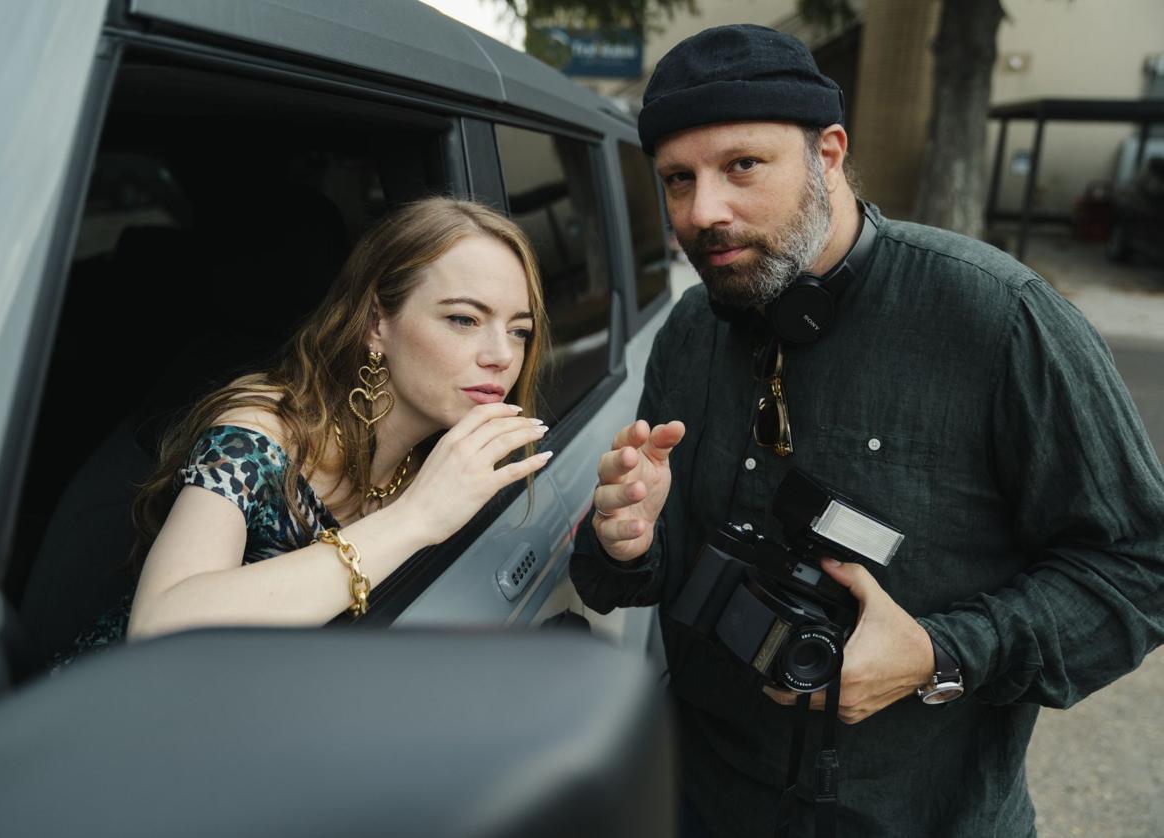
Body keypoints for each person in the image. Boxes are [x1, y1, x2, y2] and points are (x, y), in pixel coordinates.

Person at [570, 24, 1164, 838]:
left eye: (742, 165)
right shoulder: (689, 329)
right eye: (678, 179)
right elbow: (649, 574)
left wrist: (940, 652)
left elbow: (1137, 567)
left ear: (829, 154)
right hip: (702, 800)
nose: (704, 210)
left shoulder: (999, 318)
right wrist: (624, 542)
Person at [70, 196, 552, 646]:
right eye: (464, 319)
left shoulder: (446, 461)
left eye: (519, 330)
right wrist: (416, 519)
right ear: (375, 324)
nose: (502, 356)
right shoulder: (259, 435)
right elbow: (160, 627)